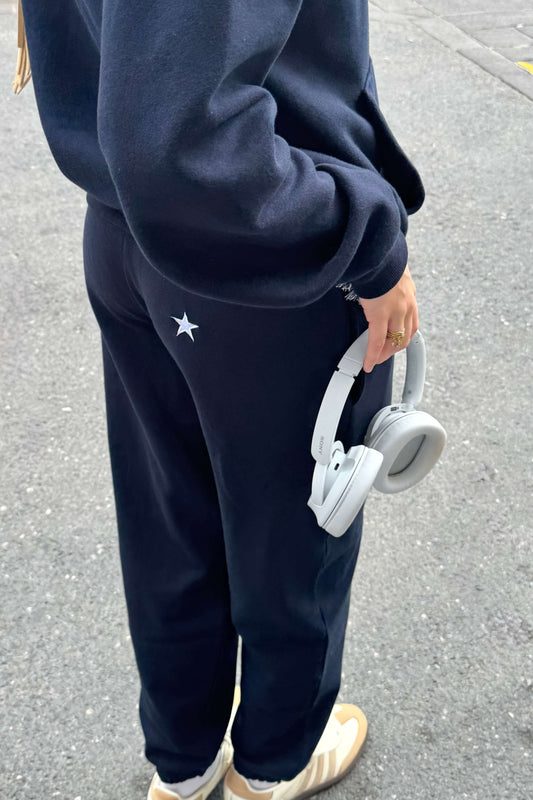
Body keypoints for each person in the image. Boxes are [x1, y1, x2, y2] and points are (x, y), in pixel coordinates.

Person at [14, 1, 425, 799]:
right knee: (295, 530)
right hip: (260, 247)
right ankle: (272, 764)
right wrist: (367, 244)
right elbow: (178, 137)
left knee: (169, 514)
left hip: (128, 230)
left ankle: (184, 761)